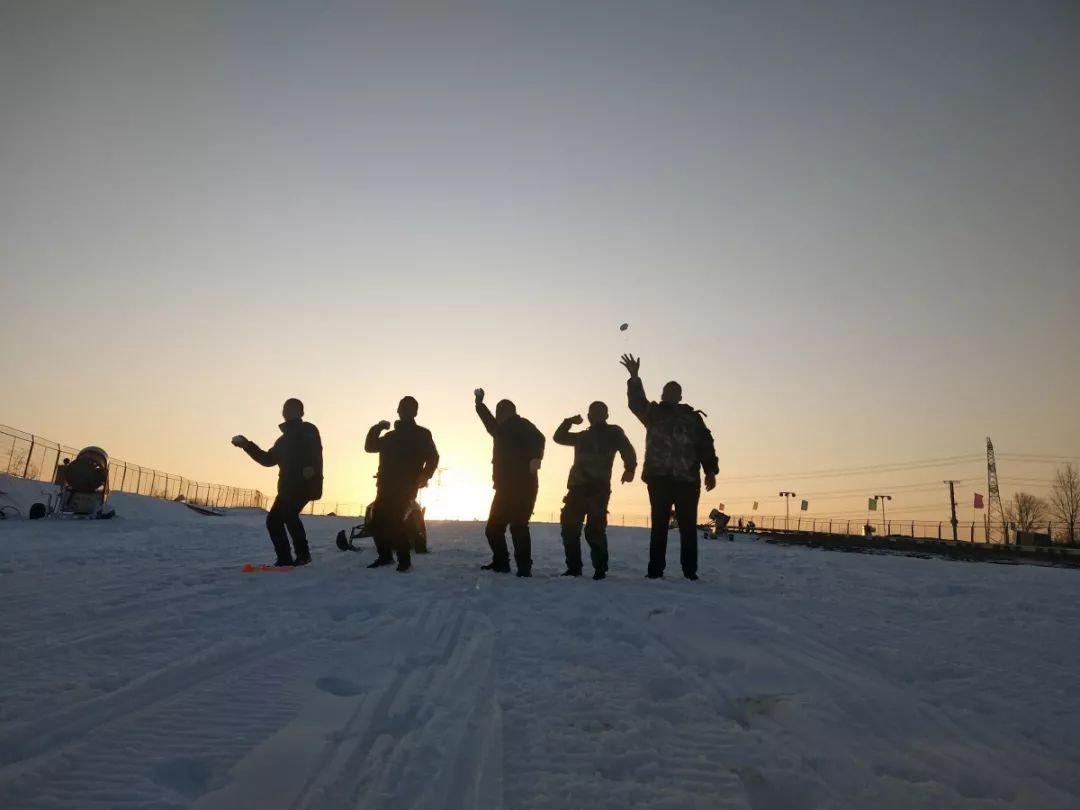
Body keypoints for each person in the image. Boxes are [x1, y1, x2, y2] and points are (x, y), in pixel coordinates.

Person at [620, 354, 718, 580]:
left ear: (680, 396)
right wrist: (634, 377)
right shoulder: (653, 413)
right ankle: (655, 571)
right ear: (663, 395)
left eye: (675, 391)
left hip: (687, 481)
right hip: (659, 478)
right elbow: (636, 404)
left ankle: (689, 572)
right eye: (667, 391)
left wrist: (710, 470)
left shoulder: (693, 418)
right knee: (659, 528)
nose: (671, 394)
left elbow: (705, 444)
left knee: (688, 529)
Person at [233, 398, 323, 567]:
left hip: (305, 484)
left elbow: (314, 451)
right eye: (285, 409)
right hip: (287, 488)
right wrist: (247, 445)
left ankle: (303, 555)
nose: (288, 412)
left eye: (293, 409)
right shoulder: (282, 441)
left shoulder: (308, 430)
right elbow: (267, 459)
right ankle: (285, 558)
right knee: (274, 520)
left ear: (301, 413)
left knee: (288, 514)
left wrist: (311, 468)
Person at [553, 402, 636, 580]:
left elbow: (627, 449)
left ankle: (600, 568)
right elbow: (558, 437)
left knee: (595, 530)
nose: (595, 415)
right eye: (592, 412)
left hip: (598, 488)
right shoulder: (582, 436)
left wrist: (630, 468)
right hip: (577, 488)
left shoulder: (613, 432)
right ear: (588, 415)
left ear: (606, 415)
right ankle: (574, 568)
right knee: (569, 528)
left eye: (600, 412)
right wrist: (568, 421)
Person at [364, 396, 440, 572]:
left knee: (394, 520)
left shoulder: (422, 434)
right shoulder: (390, 437)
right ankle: (385, 557)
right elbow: (370, 446)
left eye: (409, 408)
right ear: (398, 411)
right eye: (402, 408)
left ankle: (404, 560)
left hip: (406, 485)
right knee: (377, 521)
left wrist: (426, 474)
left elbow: (433, 457)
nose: (404, 411)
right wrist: (377, 428)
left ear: (415, 412)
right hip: (385, 484)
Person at [475, 388, 545, 577]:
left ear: (510, 412)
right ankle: (501, 563)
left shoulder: (522, 425)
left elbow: (539, 438)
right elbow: (489, 422)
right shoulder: (500, 430)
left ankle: (524, 567)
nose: (497, 416)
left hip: (523, 486)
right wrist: (480, 404)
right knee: (493, 528)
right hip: (504, 489)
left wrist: (535, 458)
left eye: (501, 412)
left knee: (518, 526)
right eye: (497, 413)